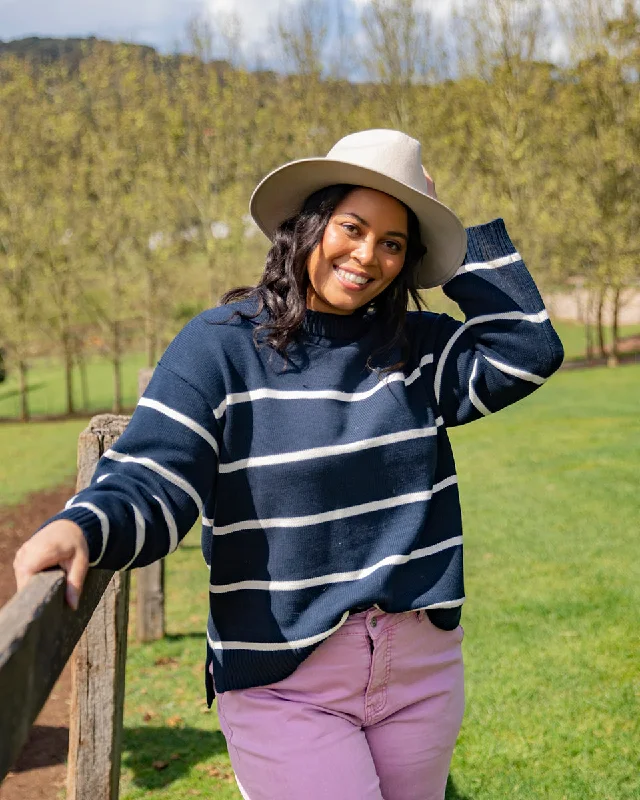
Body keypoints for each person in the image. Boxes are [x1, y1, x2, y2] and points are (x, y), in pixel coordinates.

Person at [14, 129, 564, 800]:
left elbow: (527, 350)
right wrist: (85, 524)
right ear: (309, 223)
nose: (368, 256)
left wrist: (452, 248)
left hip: (421, 670)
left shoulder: (417, 349)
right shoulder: (218, 346)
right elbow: (156, 473)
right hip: (283, 680)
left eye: (394, 243)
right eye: (353, 227)